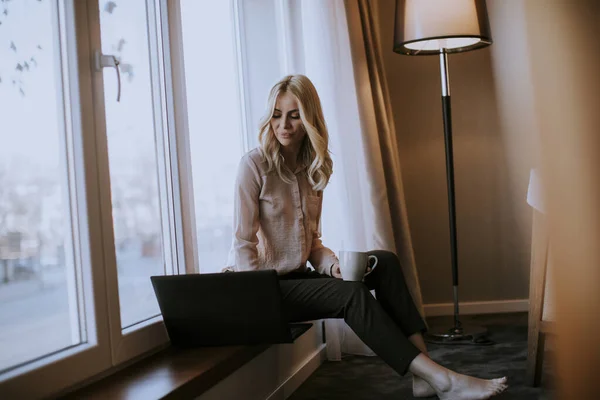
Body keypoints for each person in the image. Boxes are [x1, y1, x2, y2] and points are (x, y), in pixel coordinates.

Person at [225, 74, 507, 399]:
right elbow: (242, 243)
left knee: (383, 262)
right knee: (351, 295)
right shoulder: (254, 165)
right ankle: (444, 381)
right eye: (276, 114)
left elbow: (312, 243)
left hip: (298, 277)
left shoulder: (312, 167)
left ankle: (424, 374)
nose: (283, 124)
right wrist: (257, 302)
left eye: (294, 115)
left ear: (309, 119)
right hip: (264, 289)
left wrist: (333, 267)